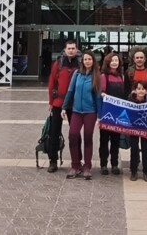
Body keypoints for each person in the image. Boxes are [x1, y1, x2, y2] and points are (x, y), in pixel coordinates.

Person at [61, 52, 100, 180]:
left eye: (89, 59)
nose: (87, 61)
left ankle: (87, 167)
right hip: (76, 111)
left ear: (93, 61)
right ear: (82, 61)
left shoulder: (96, 76)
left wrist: (99, 115)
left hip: (90, 112)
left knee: (88, 138)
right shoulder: (76, 74)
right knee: (72, 136)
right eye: (85, 59)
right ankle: (75, 165)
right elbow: (70, 91)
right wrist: (64, 107)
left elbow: (98, 97)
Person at [44, 38, 80, 172]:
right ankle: (52, 161)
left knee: (75, 134)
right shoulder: (58, 63)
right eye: (69, 48)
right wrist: (51, 102)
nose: (71, 50)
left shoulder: (80, 63)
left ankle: (77, 160)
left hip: (75, 104)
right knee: (54, 132)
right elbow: (52, 83)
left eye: (73, 48)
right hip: (58, 103)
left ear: (76, 49)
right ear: (65, 50)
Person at [98, 52, 127, 176]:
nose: (115, 63)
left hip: (118, 114)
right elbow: (100, 93)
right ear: (108, 62)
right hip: (106, 113)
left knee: (115, 140)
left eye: (116, 60)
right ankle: (103, 164)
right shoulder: (103, 76)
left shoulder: (121, 77)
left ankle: (114, 164)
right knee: (104, 140)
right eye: (112, 60)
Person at [126, 80, 147, 182]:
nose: (141, 91)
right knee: (134, 148)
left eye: (143, 89)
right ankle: (133, 171)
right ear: (134, 90)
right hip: (133, 129)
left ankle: (146, 171)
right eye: (138, 89)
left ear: (146, 91)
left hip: (145, 129)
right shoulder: (130, 100)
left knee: (146, 148)